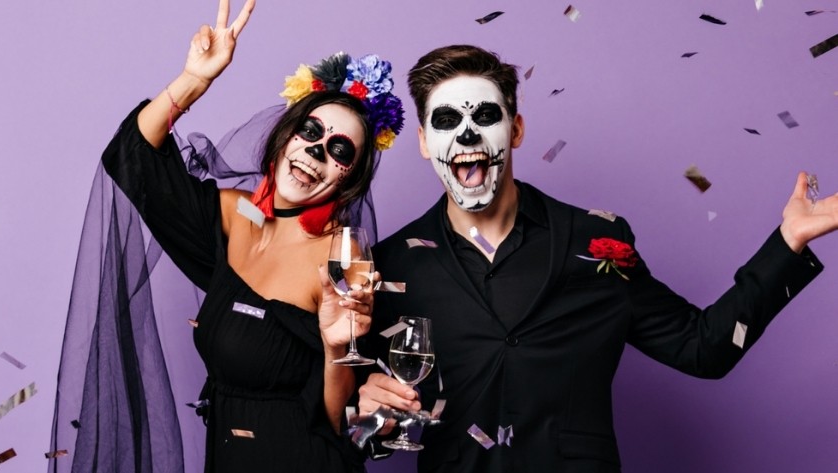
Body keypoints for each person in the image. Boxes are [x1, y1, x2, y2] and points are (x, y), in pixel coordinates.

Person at [357, 44, 837, 473]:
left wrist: (788, 242)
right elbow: (361, 419)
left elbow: (704, 348)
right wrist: (368, 409)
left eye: (485, 116)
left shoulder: (595, 238)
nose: (467, 136)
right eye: (445, 121)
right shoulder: (391, 265)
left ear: (516, 129)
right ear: (424, 141)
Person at [47, 0, 405, 472]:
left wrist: (337, 349)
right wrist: (194, 79)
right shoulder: (237, 215)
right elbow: (134, 158)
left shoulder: (343, 255)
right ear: (285, 136)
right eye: (310, 131)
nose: (316, 152)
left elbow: (342, 421)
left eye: (339, 150)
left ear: (349, 180)